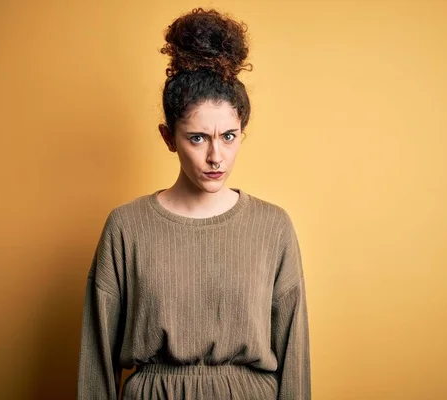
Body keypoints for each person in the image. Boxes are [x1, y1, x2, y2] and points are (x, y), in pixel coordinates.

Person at [77, 7, 311, 399]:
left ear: (242, 133)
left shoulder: (273, 227)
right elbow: (95, 360)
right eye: (198, 138)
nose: (216, 156)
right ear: (169, 137)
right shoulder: (126, 227)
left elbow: (294, 355)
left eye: (230, 136)